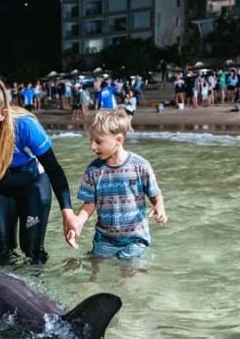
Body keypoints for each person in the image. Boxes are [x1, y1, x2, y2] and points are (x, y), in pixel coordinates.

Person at [0, 78, 77, 265]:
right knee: (3, 254)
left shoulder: (25, 127)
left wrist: (67, 212)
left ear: (2, 114)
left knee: (33, 253)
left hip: (33, 185)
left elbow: (54, 169)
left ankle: (38, 290)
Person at [69, 109, 167, 260]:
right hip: (104, 239)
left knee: (128, 277)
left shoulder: (140, 166)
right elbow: (89, 204)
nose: (93, 147)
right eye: (91, 141)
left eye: (98, 142)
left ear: (119, 140)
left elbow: (155, 194)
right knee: (95, 275)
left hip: (135, 238)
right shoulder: (94, 170)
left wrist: (159, 207)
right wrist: (78, 222)